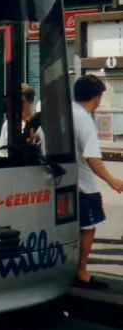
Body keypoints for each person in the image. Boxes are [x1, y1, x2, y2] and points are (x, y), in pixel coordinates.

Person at [72, 74, 123, 290]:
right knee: (88, 228)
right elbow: (92, 158)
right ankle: (81, 271)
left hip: (65, 182)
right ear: (96, 98)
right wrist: (113, 181)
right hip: (84, 185)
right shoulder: (85, 119)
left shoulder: (62, 113)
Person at [0, 84, 44, 156]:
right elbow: (1, 152)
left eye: (22, 102)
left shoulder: (38, 124)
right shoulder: (8, 124)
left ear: (30, 101)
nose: (18, 106)